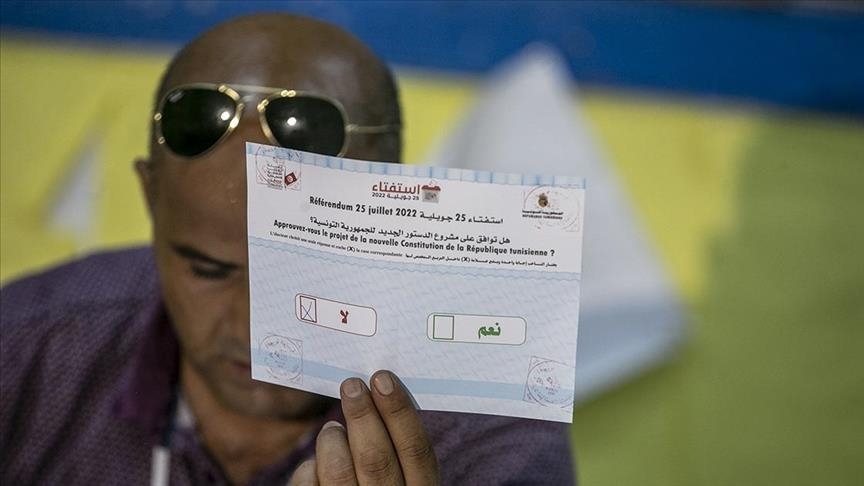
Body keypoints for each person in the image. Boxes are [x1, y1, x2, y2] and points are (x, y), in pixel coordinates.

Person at [0, 13, 575, 485]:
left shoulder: (489, 432)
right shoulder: (28, 353)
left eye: (306, 271)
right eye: (208, 269)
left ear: (393, 215)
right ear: (152, 199)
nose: (256, 326)